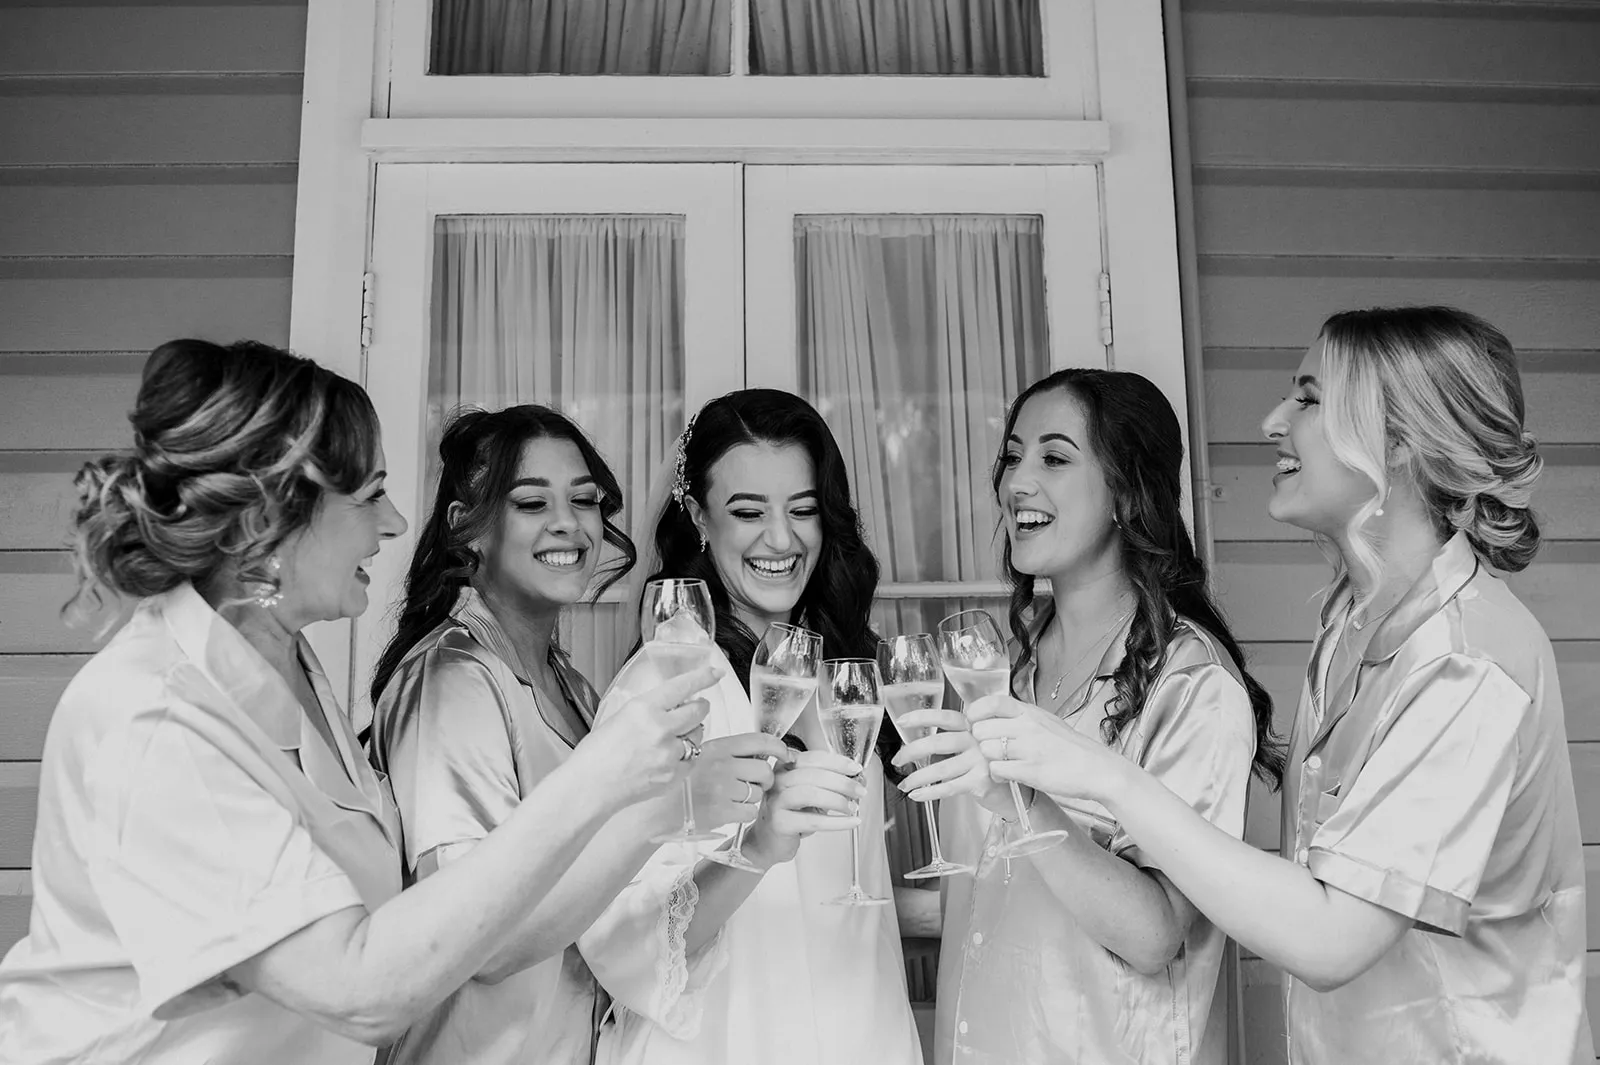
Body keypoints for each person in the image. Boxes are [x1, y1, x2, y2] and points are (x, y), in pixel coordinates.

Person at [0, 341, 712, 1065]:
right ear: (270, 518)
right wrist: (609, 780)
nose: (398, 522)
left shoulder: (291, 671)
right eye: (370, 493)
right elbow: (362, 987)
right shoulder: (156, 717)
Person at [968, 308, 1594, 1063]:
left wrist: (1098, 774)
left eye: (1307, 398)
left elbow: (1331, 939)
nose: (1272, 421)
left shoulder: (1468, 661)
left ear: (1397, 440)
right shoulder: (1350, 620)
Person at [368, 405, 796, 1065]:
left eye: (585, 500)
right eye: (532, 502)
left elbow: (601, 904)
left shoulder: (568, 685)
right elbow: (472, 941)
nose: (568, 523)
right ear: (467, 529)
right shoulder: (453, 680)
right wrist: (672, 809)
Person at [895, 368, 1282, 1064]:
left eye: (1054, 456)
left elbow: (1155, 933)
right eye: (1013, 455)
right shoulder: (1001, 668)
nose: (1016, 483)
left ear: (1126, 493)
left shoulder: (1190, 686)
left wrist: (1022, 799)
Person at [581, 389, 924, 1065]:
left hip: (857, 1021)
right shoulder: (666, 684)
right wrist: (759, 845)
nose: (781, 538)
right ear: (699, 518)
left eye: (803, 509)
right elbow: (626, 943)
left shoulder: (836, 669)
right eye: (748, 512)